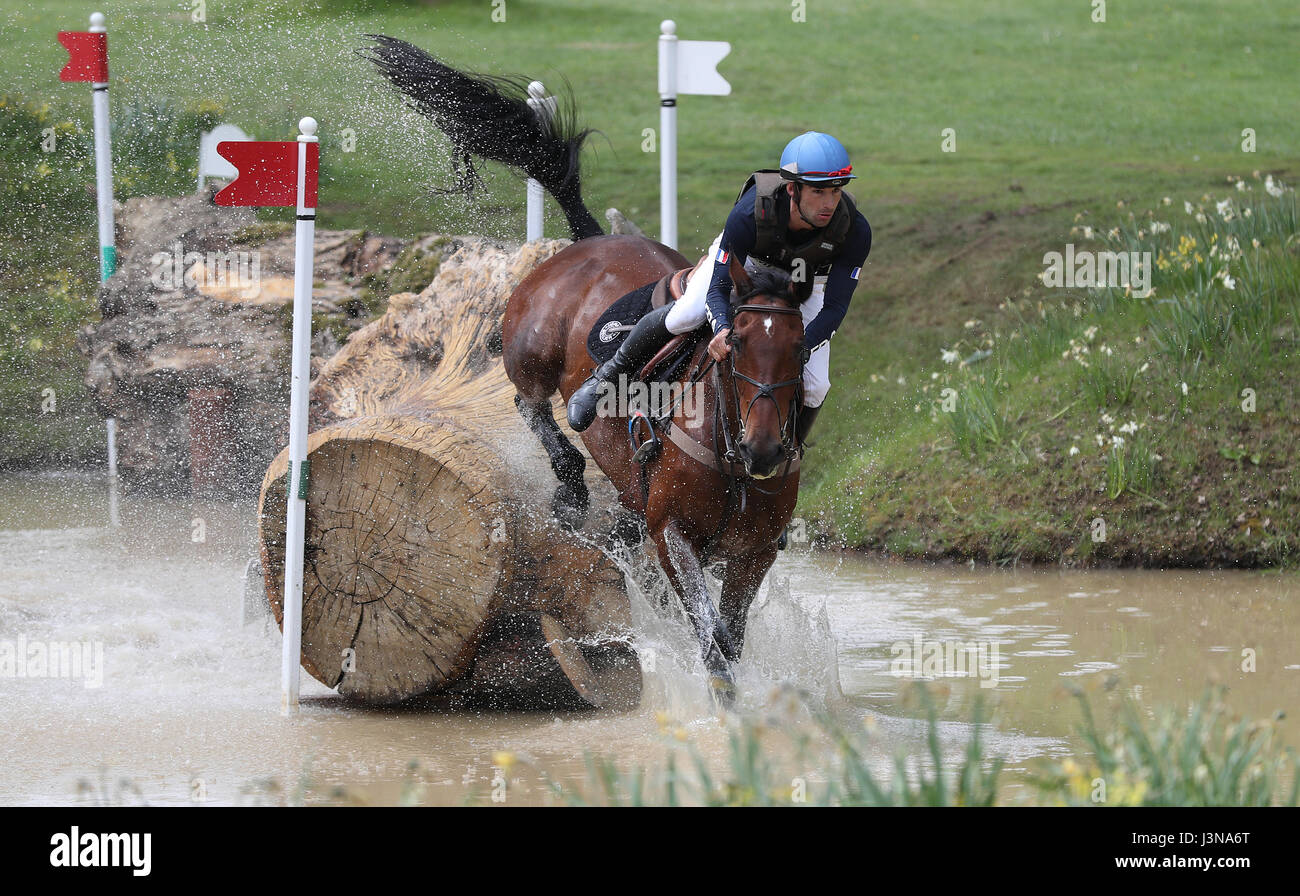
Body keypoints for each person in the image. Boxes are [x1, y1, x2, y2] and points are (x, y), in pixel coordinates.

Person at [566, 131, 872, 450]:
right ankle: (606, 377)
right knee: (687, 314)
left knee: (816, 386)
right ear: (793, 188)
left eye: (836, 192)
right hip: (747, 263)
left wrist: (802, 346)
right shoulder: (750, 213)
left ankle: (788, 450)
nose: (829, 204)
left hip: (808, 281)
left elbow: (835, 307)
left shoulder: (856, 231)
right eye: (818, 192)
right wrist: (723, 329)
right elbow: (719, 286)